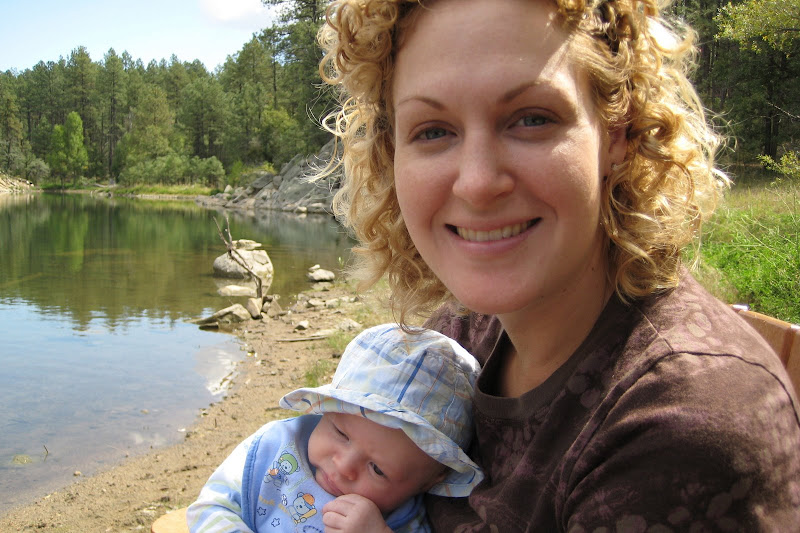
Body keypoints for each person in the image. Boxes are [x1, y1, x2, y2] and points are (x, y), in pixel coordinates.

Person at [316, 0, 800, 530]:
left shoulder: (677, 426)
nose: (477, 183)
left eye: (532, 119)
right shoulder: (463, 336)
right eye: (433, 131)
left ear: (617, 132)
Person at [187, 323, 482, 532]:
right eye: (341, 434)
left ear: (428, 482)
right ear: (325, 410)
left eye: (378, 470)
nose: (343, 466)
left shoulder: (403, 521)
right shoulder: (273, 447)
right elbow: (210, 507)